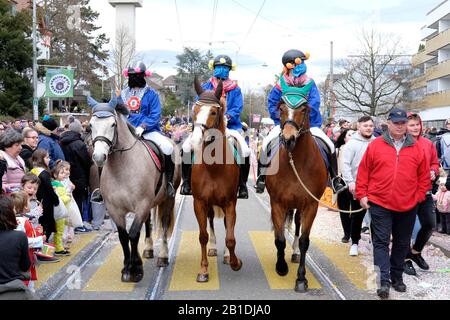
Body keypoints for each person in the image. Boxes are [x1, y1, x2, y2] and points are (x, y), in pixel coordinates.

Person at [356, 108, 429, 299]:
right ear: (388, 123)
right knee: (380, 242)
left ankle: (397, 277)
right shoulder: (375, 146)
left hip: (408, 204)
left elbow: (423, 176)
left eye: (402, 123)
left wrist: (419, 196)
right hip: (380, 203)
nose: (399, 126)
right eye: (396, 122)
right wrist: (362, 194)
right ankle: (383, 281)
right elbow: (364, 171)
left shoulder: (417, 147)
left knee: (402, 242)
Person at [255, 49, 346, 194]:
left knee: (330, 145)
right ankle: (261, 176)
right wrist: (281, 119)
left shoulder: (310, 82)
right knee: (266, 144)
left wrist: (303, 119)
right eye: (299, 62)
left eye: (303, 62)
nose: (302, 65)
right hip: (284, 124)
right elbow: (272, 103)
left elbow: (315, 102)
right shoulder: (280, 84)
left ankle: (335, 179)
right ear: (289, 65)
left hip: (310, 124)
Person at [180, 54, 251, 199]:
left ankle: (242, 185)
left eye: (225, 68)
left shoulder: (235, 89)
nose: (222, 70)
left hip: (230, 126)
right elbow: (198, 105)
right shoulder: (205, 87)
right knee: (187, 147)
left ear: (230, 70)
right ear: (213, 68)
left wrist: (227, 116)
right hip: (206, 126)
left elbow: (238, 107)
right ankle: (186, 182)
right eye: (219, 67)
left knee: (245, 150)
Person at [114, 62, 175, 198]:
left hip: (148, 131)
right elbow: (117, 111)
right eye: (131, 75)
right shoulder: (122, 94)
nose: (134, 77)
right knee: (106, 148)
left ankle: (169, 182)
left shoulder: (152, 94)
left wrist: (143, 126)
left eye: (137, 75)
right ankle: (101, 188)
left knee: (168, 148)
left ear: (143, 76)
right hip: (126, 130)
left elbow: (155, 114)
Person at [403, 113, 439, 276]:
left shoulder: (427, 143)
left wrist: (433, 171)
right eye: (412, 125)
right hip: (407, 193)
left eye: (417, 124)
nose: (415, 127)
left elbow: (434, 162)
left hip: (425, 191)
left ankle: (415, 252)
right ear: (405, 127)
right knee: (406, 228)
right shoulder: (401, 144)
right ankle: (404, 259)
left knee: (430, 224)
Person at [340, 116, 376, 256]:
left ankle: (374, 241)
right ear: (359, 126)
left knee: (376, 215)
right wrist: (350, 182)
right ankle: (355, 242)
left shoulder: (376, 143)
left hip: (375, 185)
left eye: (370, 126)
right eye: (365, 125)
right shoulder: (352, 144)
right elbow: (345, 164)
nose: (368, 128)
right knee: (357, 216)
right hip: (357, 184)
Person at [0, 195, 35, 300]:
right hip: (13, 290)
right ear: (9, 213)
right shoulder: (19, 237)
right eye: (14, 209)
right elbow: (25, 266)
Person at [10, 191, 44, 292]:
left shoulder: (12, 220)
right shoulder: (24, 221)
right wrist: (40, 238)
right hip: (25, 257)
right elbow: (25, 241)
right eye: (29, 201)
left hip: (13, 258)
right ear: (25, 206)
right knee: (27, 283)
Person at [60, 116, 92, 221]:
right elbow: (86, 162)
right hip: (79, 176)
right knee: (78, 200)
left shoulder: (61, 141)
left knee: (67, 199)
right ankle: (78, 221)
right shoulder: (79, 144)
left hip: (65, 175)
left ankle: (69, 222)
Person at [30, 149, 60, 242]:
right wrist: (56, 200)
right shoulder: (44, 173)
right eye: (47, 157)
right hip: (46, 203)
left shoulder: (32, 171)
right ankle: (43, 250)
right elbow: (49, 190)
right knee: (47, 227)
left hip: (36, 202)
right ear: (41, 159)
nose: (49, 160)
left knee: (39, 227)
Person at [50, 162, 71, 256]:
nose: (64, 175)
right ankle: (58, 249)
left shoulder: (57, 184)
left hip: (59, 212)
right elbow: (60, 199)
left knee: (59, 231)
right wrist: (68, 197)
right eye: (61, 173)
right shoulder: (57, 185)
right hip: (59, 213)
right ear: (55, 175)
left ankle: (59, 247)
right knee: (59, 231)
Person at [0, 129, 26, 194]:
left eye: (20, 145)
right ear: (7, 146)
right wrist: (23, 186)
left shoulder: (18, 159)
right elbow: (2, 185)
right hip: (11, 199)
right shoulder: (2, 161)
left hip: (21, 197)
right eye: (17, 145)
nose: (20, 147)